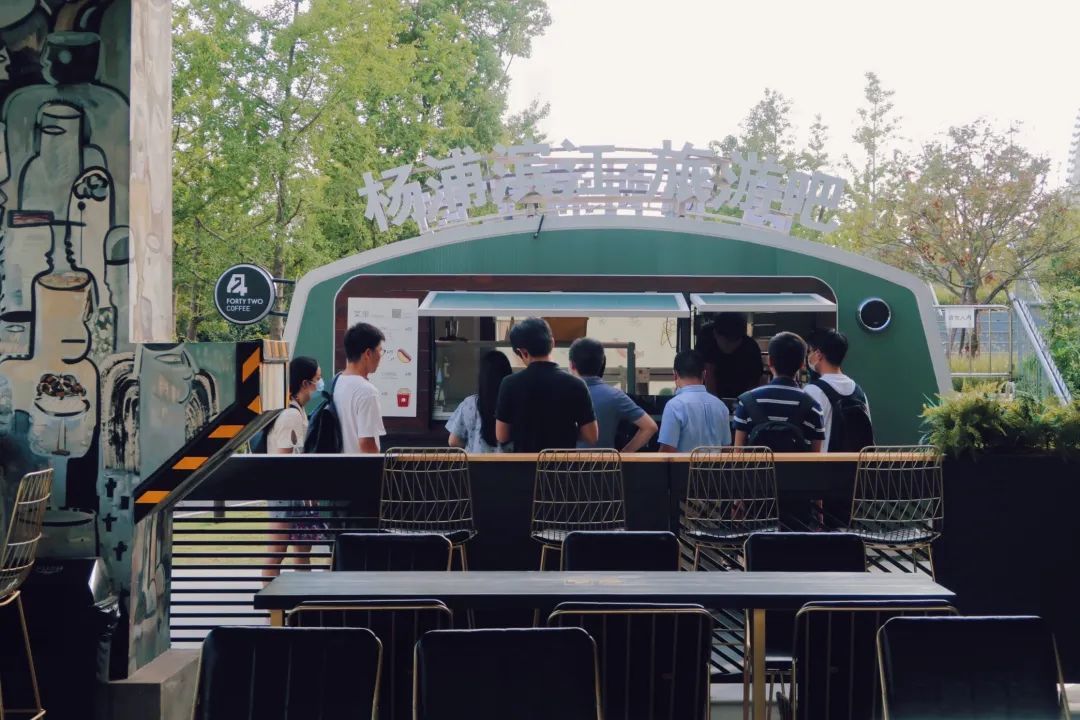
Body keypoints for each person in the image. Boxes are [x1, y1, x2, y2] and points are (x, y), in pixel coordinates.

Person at [495, 317, 598, 451]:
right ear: (552, 343)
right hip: (562, 463)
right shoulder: (576, 384)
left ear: (523, 352)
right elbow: (591, 436)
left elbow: (501, 435)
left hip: (524, 463)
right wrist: (568, 431)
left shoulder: (509, 384)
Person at [263, 356, 322, 578]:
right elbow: (284, 461)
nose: (320, 384)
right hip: (286, 493)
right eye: (318, 379)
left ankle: (300, 597)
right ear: (305, 383)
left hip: (294, 493)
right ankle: (270, 600)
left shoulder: (297, 411)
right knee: (277, 552)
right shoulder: (291, 415)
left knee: (302, 551)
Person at [733, 332, 825, 452]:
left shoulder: (746, 402)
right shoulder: (813, 407)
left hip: (758, 465)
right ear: (802, 364)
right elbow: (816, 459)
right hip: (796, 465)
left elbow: (737, 455)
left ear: (770, 361)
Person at [569, 337, 657, 451]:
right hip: (606, 462)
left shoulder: (562, 393)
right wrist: (624, 454)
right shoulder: (615, 396)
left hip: (565, 461)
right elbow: (650, 427)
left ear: (572, 365)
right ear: (602, 363)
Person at [804, 329, 874, 452]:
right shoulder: (859, 391)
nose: (808, 356)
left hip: (826, 463)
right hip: (857, 463)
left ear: (818, 354)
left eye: (809, 351)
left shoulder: (812, 391)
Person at [657, 350, 732, 452]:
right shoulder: (721, 406)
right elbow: (726, 449)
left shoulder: (674, 406)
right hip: (715, 463)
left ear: (675, 375)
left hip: (685, 463)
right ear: (704, 374)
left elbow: (667, 451)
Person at [447, 350, 513, 453]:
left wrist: (471, 443)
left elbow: (453, 441)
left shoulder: (469, 404)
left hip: (475, 462)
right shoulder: (515, 402)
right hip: (510, 463)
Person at [335, 322, 386, 454]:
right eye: (380, 350)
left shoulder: (336, 382)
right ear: (368, 353)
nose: (381, 356)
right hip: (359, 465)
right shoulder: (367, 391)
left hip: (336, 462)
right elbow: (366, 443)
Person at [695, 312, 765, 401]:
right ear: (715, 334)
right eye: (726, 341)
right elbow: (708, 372)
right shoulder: (706, 341)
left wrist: (746, 403)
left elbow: (755, 382)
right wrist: (714, 403)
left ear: (742, 338)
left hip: (741, 392)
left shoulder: (751, 348)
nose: (729, 346)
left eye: (734, 341)